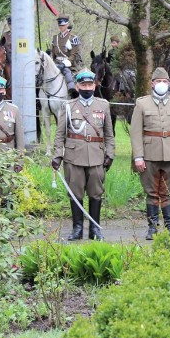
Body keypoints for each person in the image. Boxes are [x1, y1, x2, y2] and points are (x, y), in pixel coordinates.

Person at [52, 68, 115, 241]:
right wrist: (57, 155)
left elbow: (109, 133)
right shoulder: (68, 106)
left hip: (96, 156)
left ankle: (94, 229)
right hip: (74, 157)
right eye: (83, 84)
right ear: (78, 86)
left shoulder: (103, 105)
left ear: (94, 85)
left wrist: (110, 153)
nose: (87, 87)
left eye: (90, 84)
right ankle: (77, 228)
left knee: (96, 193)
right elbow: (60, 134)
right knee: (76, 193)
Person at [130, 67, 170, 239]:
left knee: (168, 192)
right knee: (151, 192)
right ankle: (152, 227)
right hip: (149, 154)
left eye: (164, 81)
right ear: (152, 84)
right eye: (158, 81)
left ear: (169, 83)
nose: (161, 84)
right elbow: (135, 132)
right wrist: (138, 157)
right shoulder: (142, 103)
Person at [51, 15, 82, 98]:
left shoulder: (73, 38)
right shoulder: (55, 38)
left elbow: (75, 54)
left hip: (69, 64)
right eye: (60, 25)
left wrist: (65, 64)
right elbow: (53, 54)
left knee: (67, 73)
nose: (61, 27)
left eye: (63, 25)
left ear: (67, 25)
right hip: (56, 63)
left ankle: (72, 90)